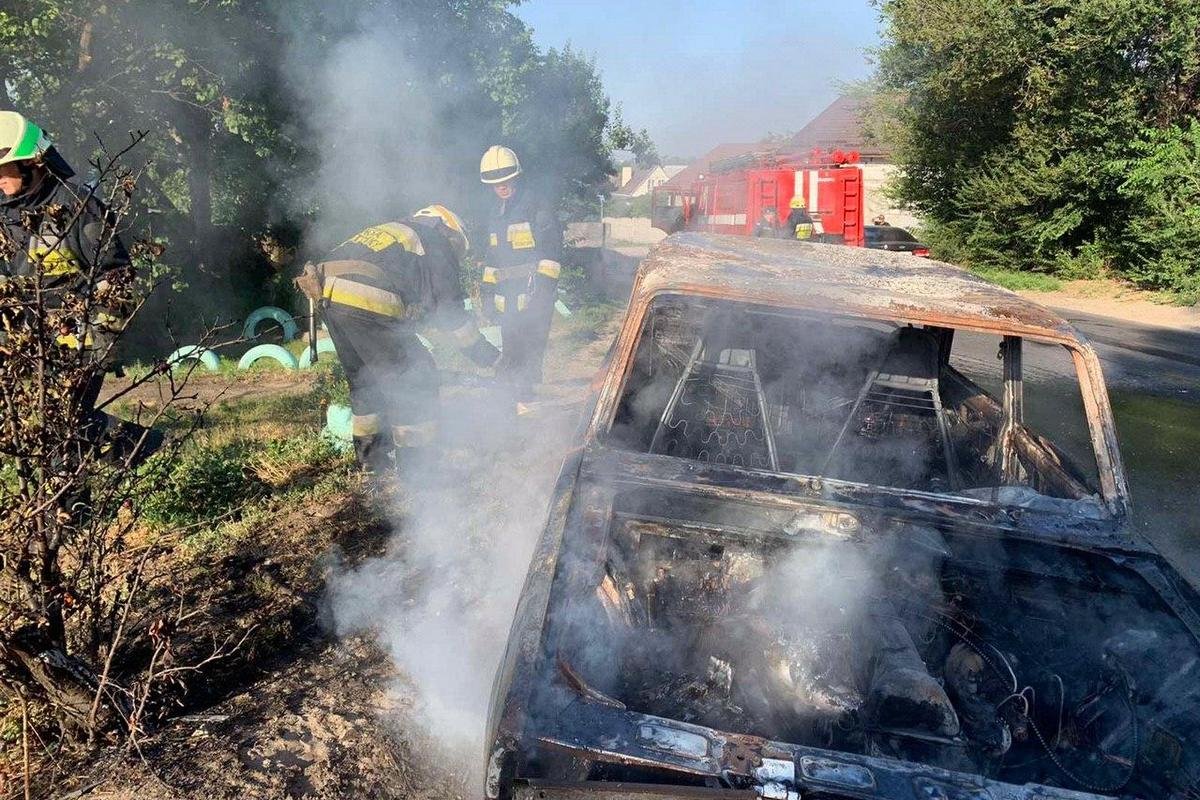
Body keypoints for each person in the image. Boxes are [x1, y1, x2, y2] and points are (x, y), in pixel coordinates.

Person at [296, 205, 498, 472]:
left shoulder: (394, 232)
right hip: (363, 295)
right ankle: (420, 467)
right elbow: (451, 314)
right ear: (449, 229)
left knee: (364, 378)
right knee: (415, 376)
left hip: (327, 293)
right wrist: (489, 357)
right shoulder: (436, 239)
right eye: (458, 248)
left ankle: (372, 461)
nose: (455, 255)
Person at [0, 110, 134, 451]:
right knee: (40, 425)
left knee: (60, 424)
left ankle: (72, 503)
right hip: (32, 342)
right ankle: (142, 447)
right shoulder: (7, 217)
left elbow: (116, 274)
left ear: (33, 163)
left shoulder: (78, 207)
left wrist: (97, 339)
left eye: (4, 167)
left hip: (81, 340)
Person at [478, 145, 562, 403]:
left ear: (516, 176)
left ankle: (528, 415)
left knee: (529, 358)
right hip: (507, 298)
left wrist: (542, 295)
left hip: (533, 293)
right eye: (495, 183)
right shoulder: (494, 213)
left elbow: (551, 256)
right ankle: (509, 410)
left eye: (505, 180)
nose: (501, 187)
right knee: (511, 353)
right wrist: (488, 296)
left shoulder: (536, 207)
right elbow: (491, 260)